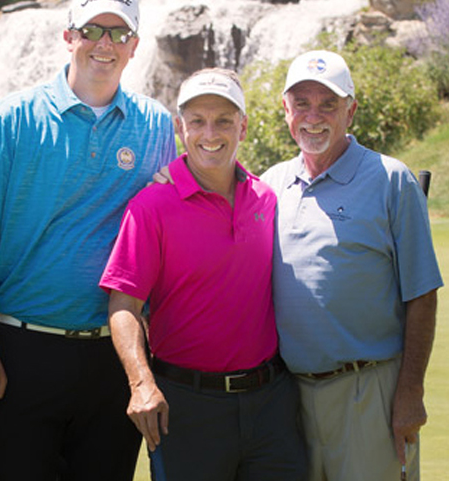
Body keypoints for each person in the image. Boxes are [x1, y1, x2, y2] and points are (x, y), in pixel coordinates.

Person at [0, 0, 177, 481]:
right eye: (93, 30)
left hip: (113, 358)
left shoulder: (157, 126)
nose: (106, 43)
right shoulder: (11, 119)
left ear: (135, 46)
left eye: (119, 33)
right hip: (22, 351)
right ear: (68, 35)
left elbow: (168, 233)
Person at [100, 68, 307, 481]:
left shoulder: (265, 198)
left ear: (243, 127)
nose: (210, 133)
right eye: (197, 121)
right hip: (187, 407)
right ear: (180, 128)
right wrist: (141, 383)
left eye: (224, 120)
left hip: (271, 404)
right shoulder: (151, 207)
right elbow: (123, 303)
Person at [260, 50, 443, 481]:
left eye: (329, 104)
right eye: (301, 103)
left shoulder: (391, 180)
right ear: (285, 110)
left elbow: (422, 294)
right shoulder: (270, 184)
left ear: (351, 111)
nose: (313, 116)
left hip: (370, 390)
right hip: (287, 397)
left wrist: (410, 392)